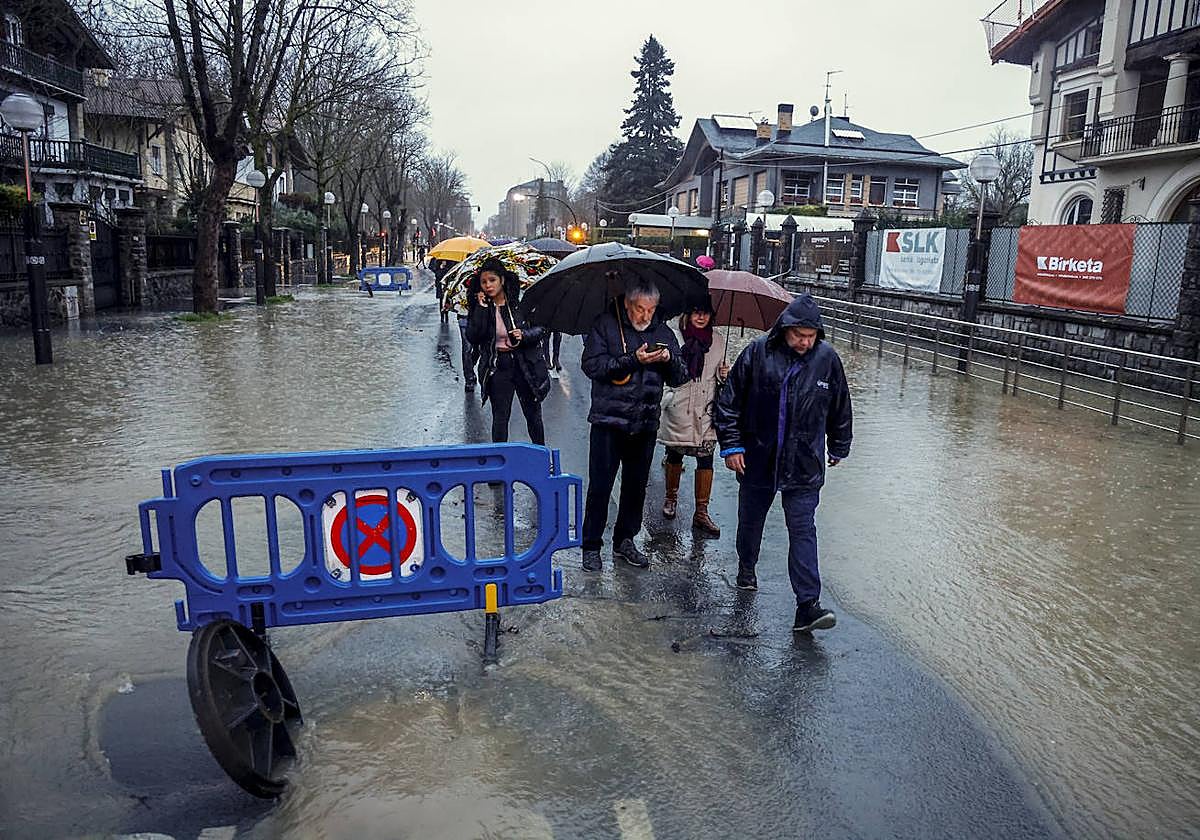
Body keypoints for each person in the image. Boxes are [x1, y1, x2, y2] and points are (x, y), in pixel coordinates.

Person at [714, 294, 852, 633]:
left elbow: (840, 406)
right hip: (758, 457)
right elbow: (729, 402)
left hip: (804, 462)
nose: (805, 342)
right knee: (750, 521)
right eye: (799, 336)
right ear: (785, 329)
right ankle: (747, 568)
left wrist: (839, 445)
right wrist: (731, 446)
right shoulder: (757, 353)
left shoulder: (827, 360)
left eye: (811, 336)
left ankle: (808, 605)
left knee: (803, 530)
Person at [580, 277, 688, 571]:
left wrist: (668, 359)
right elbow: (592, 365)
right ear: (628, 305)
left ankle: (625, 540)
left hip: (645, 424)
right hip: (608, 421)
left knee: (635, 487)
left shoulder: (663, 331)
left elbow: (680, 376)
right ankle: (591, 545)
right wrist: (632, 360)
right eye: (640, 309)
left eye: (651, 310)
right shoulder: (606, 325)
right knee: (600, 486)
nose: (645, 316)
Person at [658, 299, 729, 537]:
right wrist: (668, 397)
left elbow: (720, 379)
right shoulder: (674, 337)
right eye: (696, 312)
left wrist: (724, 375)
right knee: (674, 454)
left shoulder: (718, 341)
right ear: (687, 313)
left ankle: (701, 512)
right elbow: (664, 371)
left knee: (706, 459)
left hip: (705, 410)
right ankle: (670, 498)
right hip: (680, 405)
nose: (701, 317)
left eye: (705, 313)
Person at [465, 258, 550, 444]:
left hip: (524, 364)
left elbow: (542, 329)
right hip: (498, 368)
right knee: (500, 418)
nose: (488, 285)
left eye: (492, 280)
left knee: (533, 415)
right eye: (484, 282)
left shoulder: (519, 304)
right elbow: (473, 336)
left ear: (502, 280)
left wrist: (524, 335)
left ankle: (541, 454)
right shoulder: (481, 306)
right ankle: (500, 457)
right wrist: (481, 309)